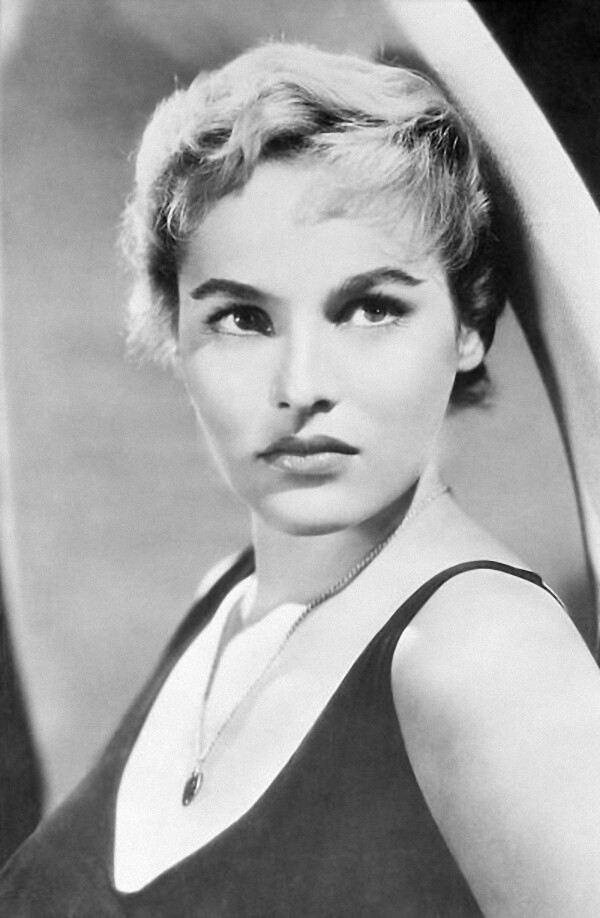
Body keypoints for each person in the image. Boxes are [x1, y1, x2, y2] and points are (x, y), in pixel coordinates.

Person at [2, 39, 600, 918]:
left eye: (370, 308)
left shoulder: (484, 656)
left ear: (470, 324)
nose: (301, 385)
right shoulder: (225, 601)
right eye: (243, 318)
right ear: (176, 336)